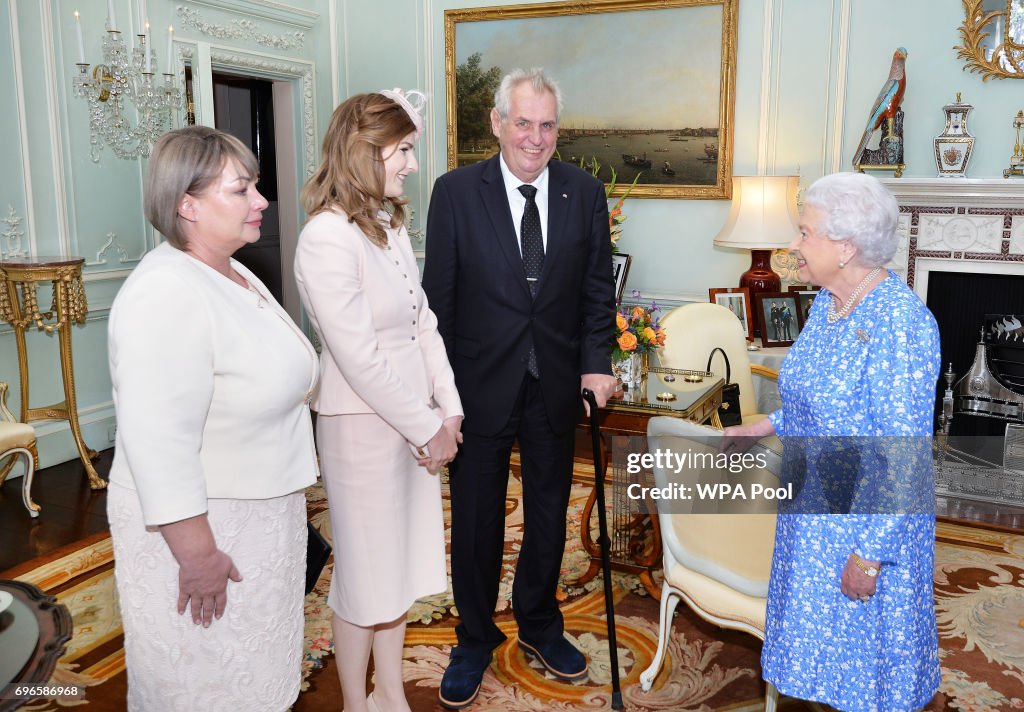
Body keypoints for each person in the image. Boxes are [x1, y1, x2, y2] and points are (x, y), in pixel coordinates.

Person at [422, 68, 618, 709]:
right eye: (524, 123)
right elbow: (438, 303)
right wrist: (441, 394)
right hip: (478, 386)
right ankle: (474, 637)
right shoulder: (455, 193)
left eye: (548, 125)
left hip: (557, 383)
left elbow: (596, 292)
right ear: (498, 123)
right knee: (476, 521)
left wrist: (597, 363)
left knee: (547, 516)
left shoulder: (584, 193)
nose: (536, 138)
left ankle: (538, 622)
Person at [106, 126, 320, 711]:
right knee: (204, 684)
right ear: (187, 205)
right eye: (242, 189)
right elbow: (159, 445)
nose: (262, 202)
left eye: (255, 187)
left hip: (257, 515)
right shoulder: (166, 293)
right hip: (207, 528)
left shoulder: (232, 271)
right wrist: (197, 557)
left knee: (254, 674)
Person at [723, 172, 941, 710]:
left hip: (865, 525)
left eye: (805, 232)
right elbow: (819, 397)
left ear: (845, 247)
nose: (795, 245)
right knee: (821, 665)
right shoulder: (827, 303)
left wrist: (870, 556)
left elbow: (904, 457)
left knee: (866, 675)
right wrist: (768, 425)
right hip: (812, 510)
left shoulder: (901, 323)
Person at [294, 90, 463, 712]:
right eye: (405, 150)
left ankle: (390, 693)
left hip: (413, 422)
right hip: (362, 429)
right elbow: (358, 356)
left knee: (397, 570)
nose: (412, 164)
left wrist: (450, 409)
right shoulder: (326, 238)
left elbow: (423, 322)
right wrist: (428, 427)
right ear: (367, 152)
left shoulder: (388, 224)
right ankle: (356, 703)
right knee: (365, 579)